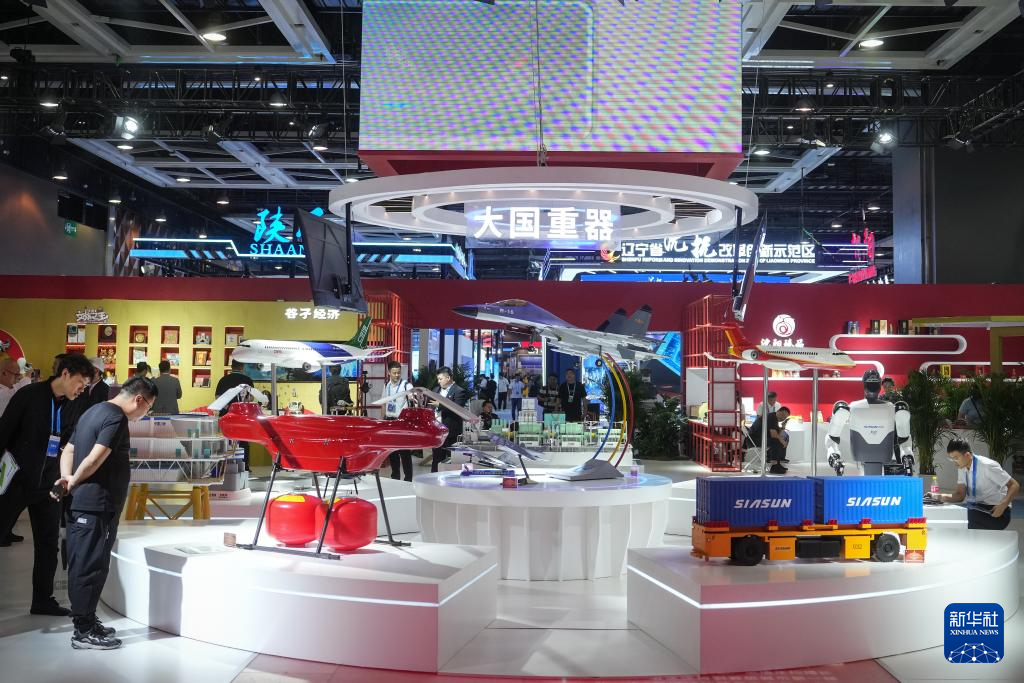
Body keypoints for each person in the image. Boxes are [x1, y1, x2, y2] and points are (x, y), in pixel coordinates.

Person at [54, 375, 157, 649]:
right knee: (90, 565)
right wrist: (73, 481)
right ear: (139, 399)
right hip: (96, 503)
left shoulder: (93, 411)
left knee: (85, 562)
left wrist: (66, 477)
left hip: (84, 503)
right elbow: (94, 458)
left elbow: (68, 450)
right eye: (148, 408)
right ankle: (83, 631)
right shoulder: (116, 418)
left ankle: (87, 619)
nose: (145, 414)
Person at [0, 354, 93, 615]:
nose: (82, 389)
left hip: (49, 484)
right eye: (80, 383)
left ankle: (42, 600)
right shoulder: (29, 396)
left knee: (48, 543)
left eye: (86, 386)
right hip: (16, 481)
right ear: (65, 374)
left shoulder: (76, 404)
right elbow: (4, 432)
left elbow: (70, 443)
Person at [927, 438, 1019, 530]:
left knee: (966, 517)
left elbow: (1014, 485)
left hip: (997, 511)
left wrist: (1003, 505)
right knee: (953, 513)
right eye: (952, 459)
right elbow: (960, 495)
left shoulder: (987, 466)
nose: (954, 462)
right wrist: (938, 497)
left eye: (956, 458)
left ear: (967, 455)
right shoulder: (962, 467)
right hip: (977, 508)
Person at [216, 360, 255, 470]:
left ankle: (224, 465)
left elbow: (218, 397)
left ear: (231, 366)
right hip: (242, 416)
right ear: (242, 367)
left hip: (226, 416)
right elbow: (251, 398)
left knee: (225, 440)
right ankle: (244, 465)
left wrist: (228, 408)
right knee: (243, 440)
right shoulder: (247, 380)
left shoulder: (223, 380)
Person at [430, 367, 469, 473]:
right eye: (438, 379)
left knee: (451, 461)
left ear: (448, 378)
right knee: (436, 459)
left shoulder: (459, 391)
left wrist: (440, 405)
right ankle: (433, 480)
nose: (438, 381)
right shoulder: (436, 390)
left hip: (451, 432)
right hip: (437, 431)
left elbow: (457, 408)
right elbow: (430, 405)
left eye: (440, 379)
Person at [382, 361, 414, 482]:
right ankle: (395, 477)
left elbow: (413, 402)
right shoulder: (386, 385)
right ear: (389, 372)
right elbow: (384, 403)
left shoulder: (406, 386)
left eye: (398, 373)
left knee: (404, 452)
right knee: (392, 452)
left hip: (402, 422)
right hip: (389, 421)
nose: (396, 375)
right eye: (394, 373)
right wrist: (383, 421)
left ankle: (408, 479)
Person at [747, 406, 792, 474]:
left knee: (778, 440)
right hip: (754, 440)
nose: (782, 418)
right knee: (776, 441)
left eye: (784, 417)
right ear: (778, 411)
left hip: (759, 439)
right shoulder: (771, 417)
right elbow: (774, 435)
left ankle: (777, 464)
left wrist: (783, 427)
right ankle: (774, 465)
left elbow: (777, 434)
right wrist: (783, 441)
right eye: (782, 415)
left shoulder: (774, 418)